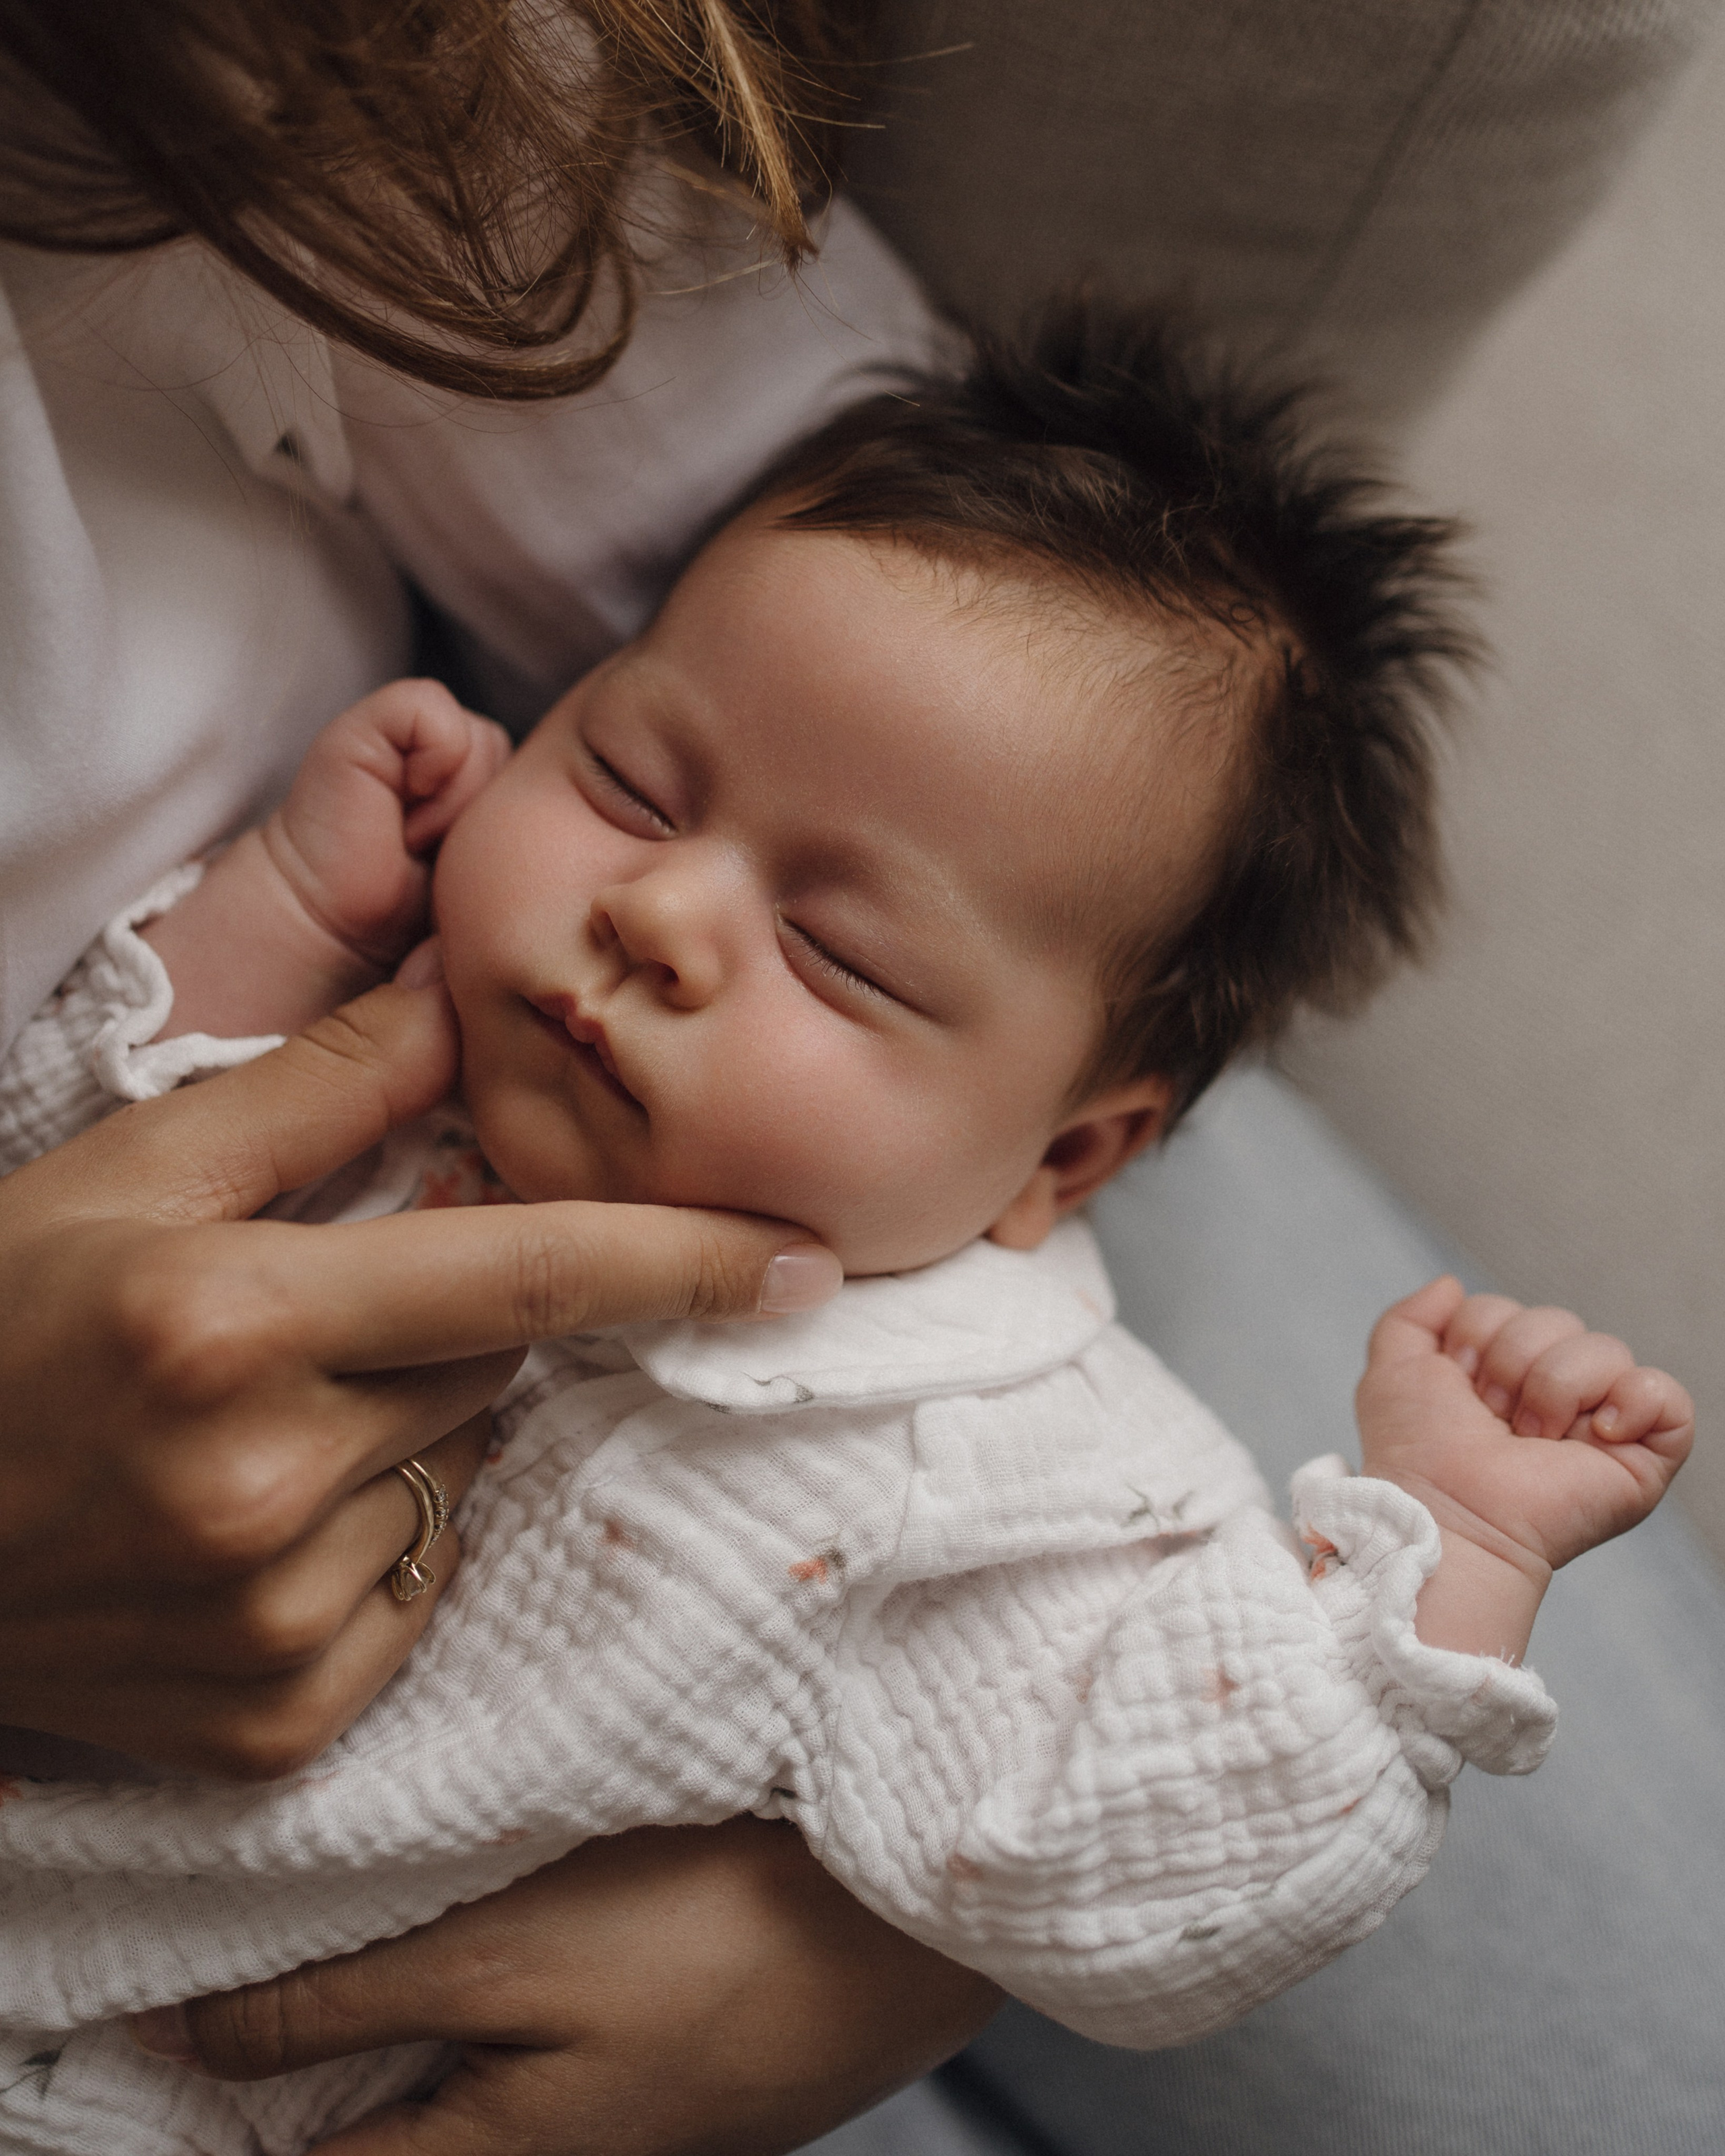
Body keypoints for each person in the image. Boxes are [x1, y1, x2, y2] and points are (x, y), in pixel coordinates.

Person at [1, 5, 1718, 2153]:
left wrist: (1451, 1542)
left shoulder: (981, 1454)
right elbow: (66, 1139)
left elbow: (1196, 1869)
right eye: (624, 774)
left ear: (1064, 1160)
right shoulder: (337, 1082)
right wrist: (254, 917)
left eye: (831, 947)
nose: (656, 916)